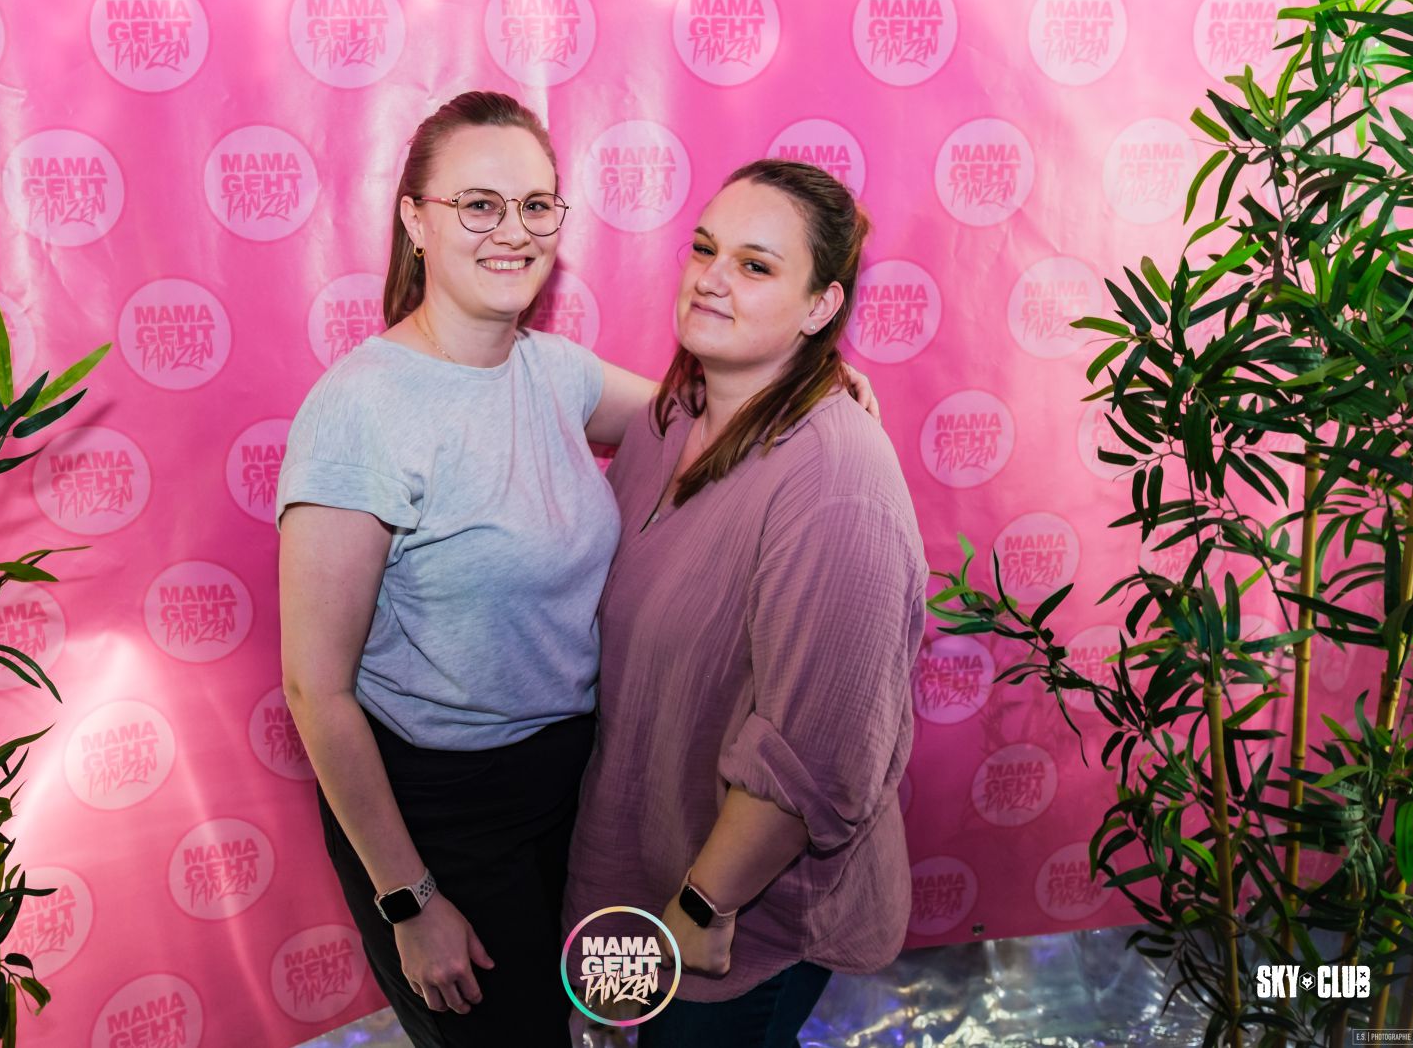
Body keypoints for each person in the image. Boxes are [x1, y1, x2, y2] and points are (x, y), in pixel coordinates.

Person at [277, 91, 881, 1047]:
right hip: (439, 810)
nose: (512, 230)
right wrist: (408, 899)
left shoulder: (553, 372)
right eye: (478, 204)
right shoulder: (361, 412)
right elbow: (316, 690)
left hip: (572, 782)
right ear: (415, 220)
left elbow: (704, 412)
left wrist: (811, 373)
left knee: (592, 1018)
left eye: (535, 204)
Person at [563, 159, 928, 1048]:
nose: (711, 277)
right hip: (631, 867)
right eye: (704, 249)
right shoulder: (671, 417)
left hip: (729, 923)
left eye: (756, 265)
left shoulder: (837, 485)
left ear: (821, 307)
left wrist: (701, 905)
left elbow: (818, 758)